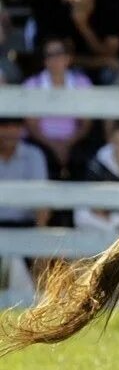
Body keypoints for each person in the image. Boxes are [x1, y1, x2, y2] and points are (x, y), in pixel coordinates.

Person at [23, 37, 94, 181]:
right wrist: (53, 145)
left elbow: (86, 123)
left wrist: (68, 144)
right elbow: (31, 125)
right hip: (41, 142)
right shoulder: (32, 84)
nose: (55, 59)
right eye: (50, 55)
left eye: (59, 54)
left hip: (75, 142)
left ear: (68, 58)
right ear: (44, 60)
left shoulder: (82, 83)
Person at [0, 116, 50, 293]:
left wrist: (40, 240)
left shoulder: (33, 155)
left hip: (26, 225)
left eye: (14, 125)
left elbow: (42, 204)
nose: (9, 131)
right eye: (4, 126)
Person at [73, 122, 119, 234]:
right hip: (106, 217)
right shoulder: (98, 165)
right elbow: (95, 203)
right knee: (82, 215)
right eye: (118, 143)